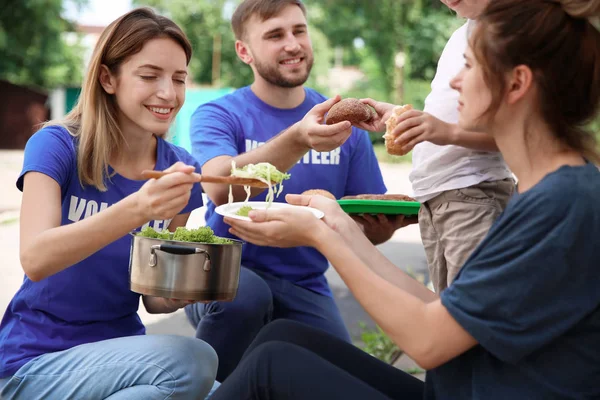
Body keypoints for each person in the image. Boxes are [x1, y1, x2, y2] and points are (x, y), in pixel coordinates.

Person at [214, 0, 600, 398]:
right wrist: (339, 225)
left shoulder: (565, 204)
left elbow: (429, 340)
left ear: (517, 83)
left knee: (271, 365)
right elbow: (447, 313)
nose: (454, 82)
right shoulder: (545, 193)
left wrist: (321, 236)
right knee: (285, 337)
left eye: (469, 65)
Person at [0, 8, 218, 400]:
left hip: (122, 357)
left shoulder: (181, 168)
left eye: (179, 79)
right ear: (107, 78)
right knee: (194, 361)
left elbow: (152, 297)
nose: (168, 93)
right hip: (36, 363)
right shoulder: (56, 145)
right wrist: (138, 209)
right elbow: (35, 257)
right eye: (150, 76)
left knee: (217, 389)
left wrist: (184, 287)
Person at [184, 0, 408, 382]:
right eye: (275, 35)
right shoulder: (220, 113)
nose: (292, 44)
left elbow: (361, 219)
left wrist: (381, 229)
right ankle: (201, 387)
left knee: (340, 377)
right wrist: (299, 139)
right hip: (224, 272)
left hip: (306, 284)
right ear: (244, 51)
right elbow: (219, 186)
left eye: (298, 30)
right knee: (247, 300)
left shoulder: (344, 122)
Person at [358, 0, 515, 293]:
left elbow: (517, 132)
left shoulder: (510, 31)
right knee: (449, 307)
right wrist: (402, 118)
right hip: (435, 199)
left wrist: (447, 132)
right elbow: (446, 117)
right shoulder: (462, 35)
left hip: (474, 193)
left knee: (472, 311)